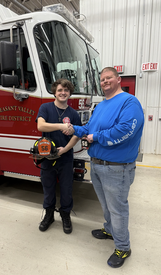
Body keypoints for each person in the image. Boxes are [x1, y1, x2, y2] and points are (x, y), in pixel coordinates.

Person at [63, 67, 144, 267]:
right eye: (102, 79)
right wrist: (74, 129)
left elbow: (126, 130)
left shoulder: (129, 102)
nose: (105, 81)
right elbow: (90, 129)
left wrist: (96, 137)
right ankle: (109, 230)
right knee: (106, 206)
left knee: (118, 209)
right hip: (98, 165)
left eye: (109, 78)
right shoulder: (101, 105)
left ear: (118, 79)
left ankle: (123, 248)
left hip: (117, 168)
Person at [36, 78, 81, 234]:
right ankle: (49, 215)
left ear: (70, 93)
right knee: (48, 187)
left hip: (65, 157)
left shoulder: (73, 114)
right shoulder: (45, 108)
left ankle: (65, 215)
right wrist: (61, 126)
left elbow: (77, 135)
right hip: (47, 157)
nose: (63, 93)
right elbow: (40, 125)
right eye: (60, 90)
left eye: (66, 90)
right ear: (54, 92)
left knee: (67, 189)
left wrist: (65, 149)